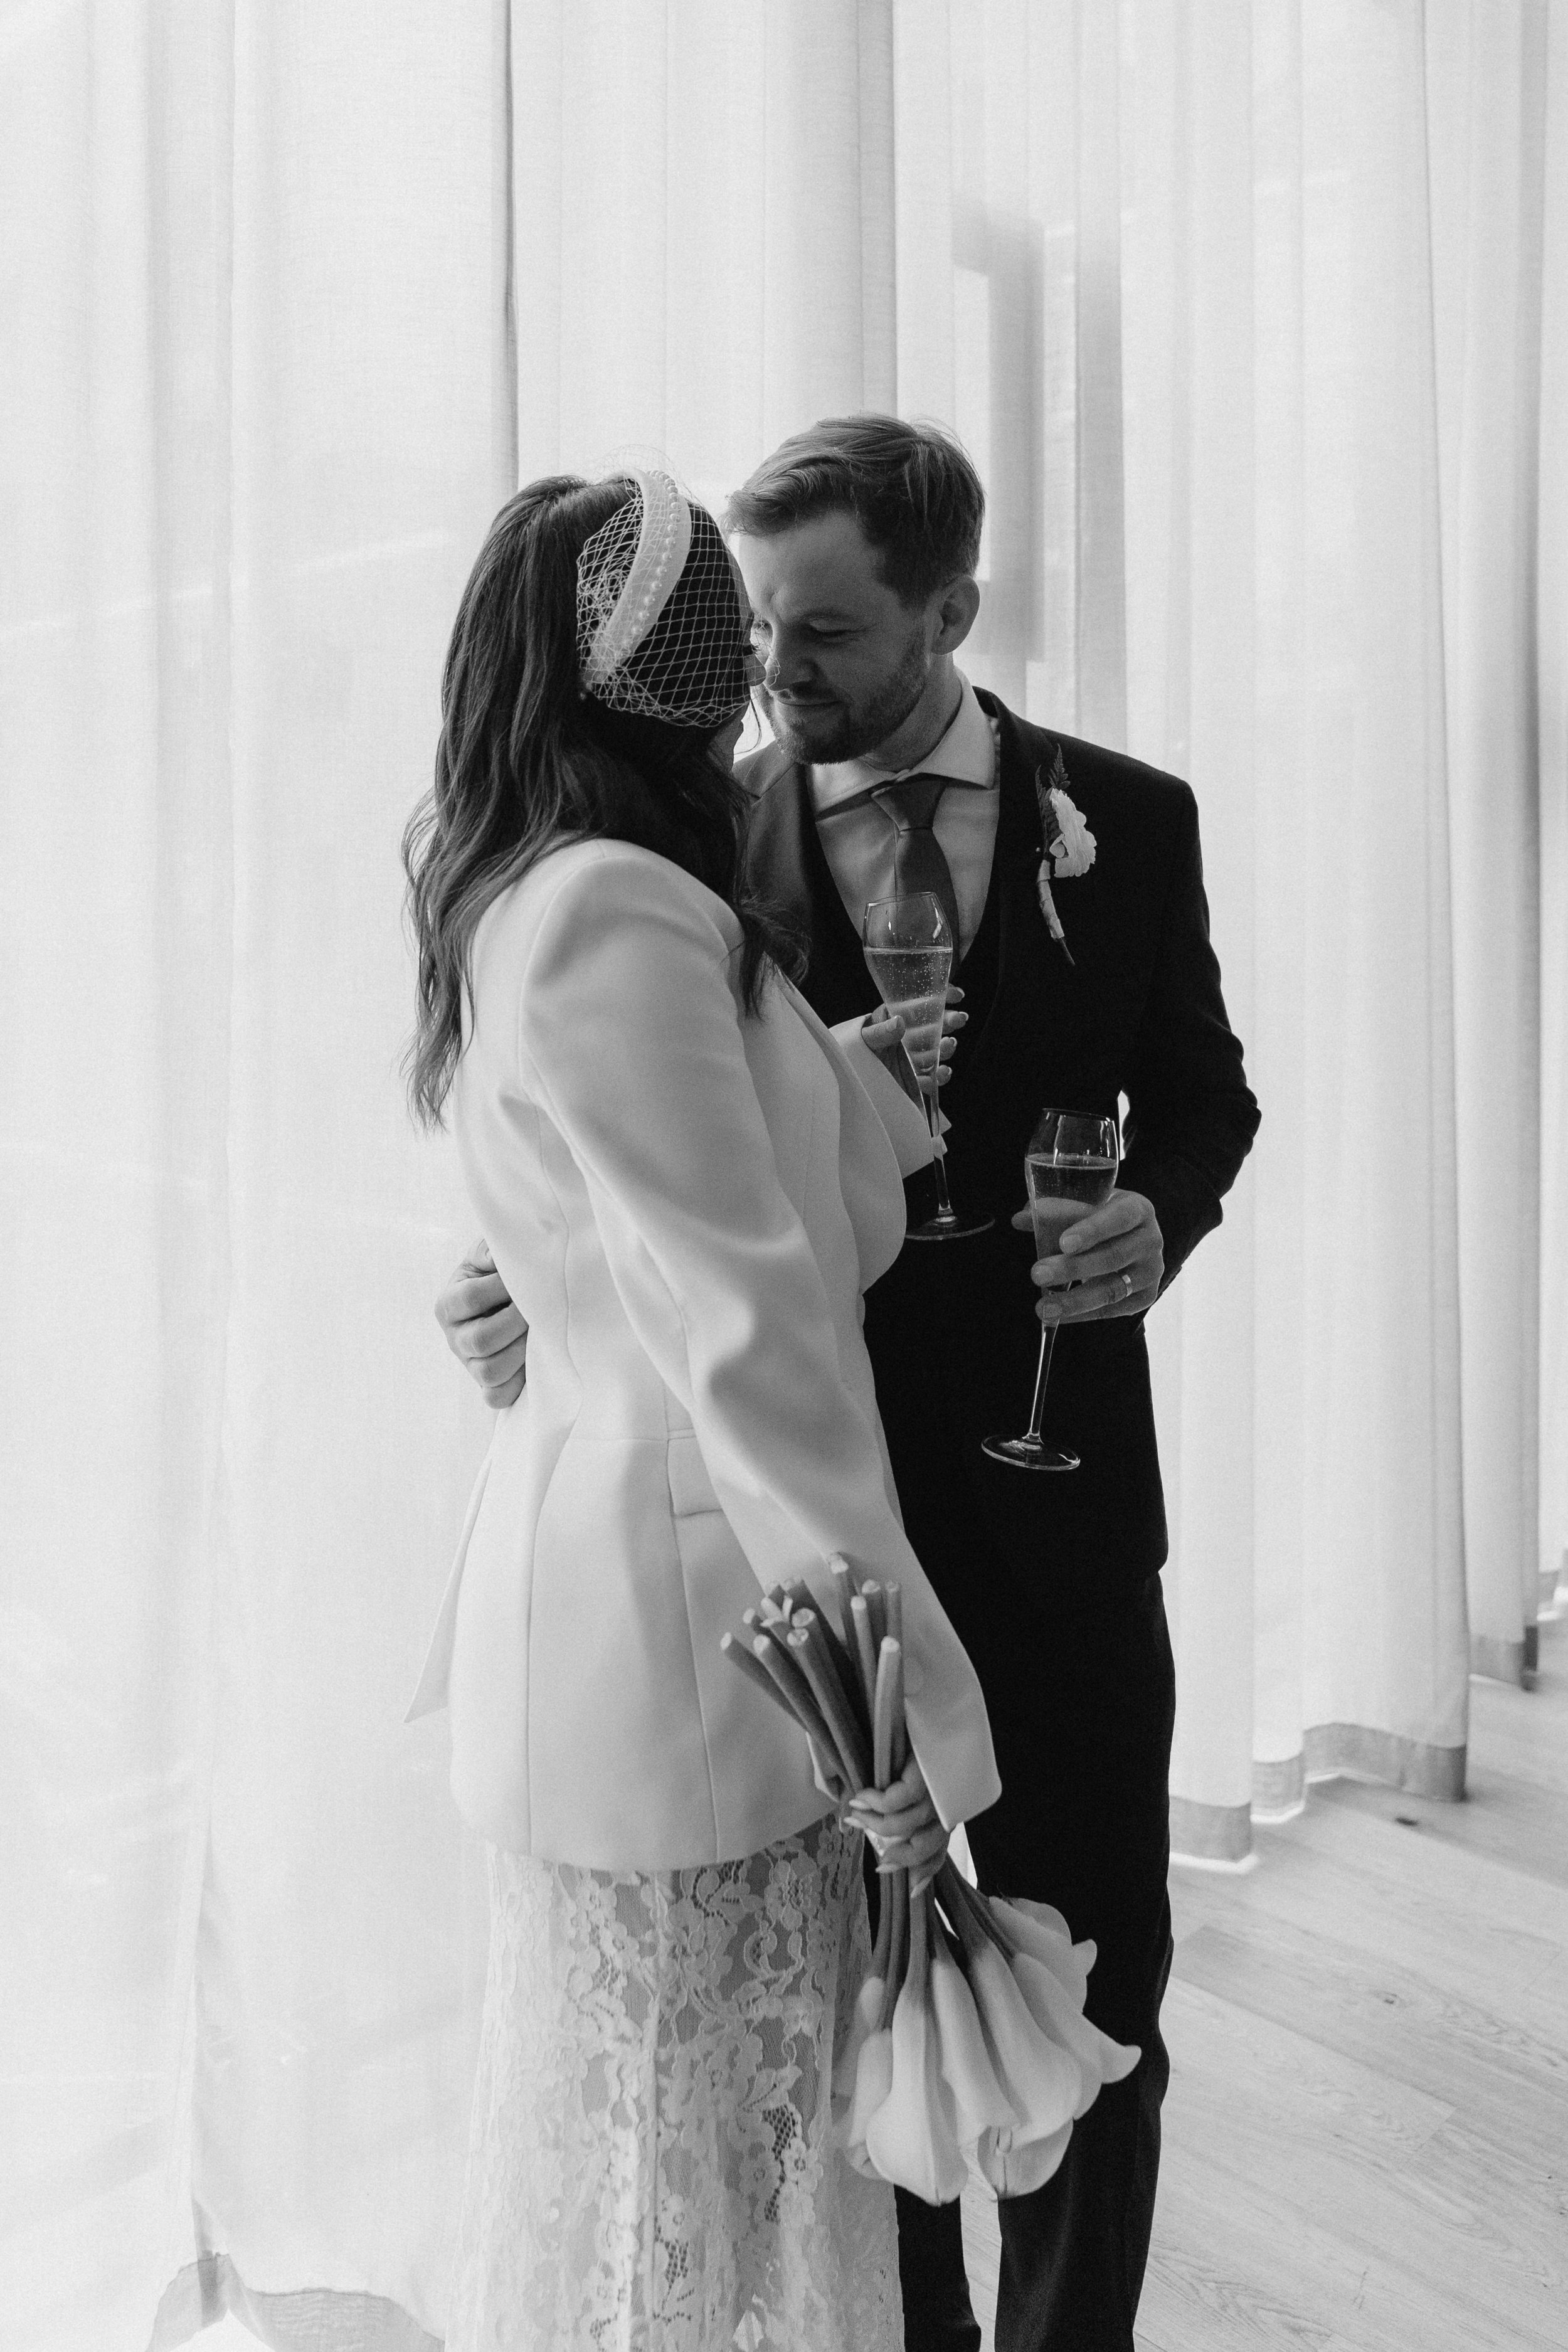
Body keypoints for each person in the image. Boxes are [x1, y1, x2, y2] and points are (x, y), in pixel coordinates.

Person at [438, 418, 1261, 2352]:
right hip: (793, 1566)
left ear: (949, 610)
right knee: (840, 2032)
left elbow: (1206, 1094)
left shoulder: (1125, 819)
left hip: (1048, 1488)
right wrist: (517, 1283)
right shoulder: (675, 847)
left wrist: (1158, 1208)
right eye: (760, 625)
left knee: (1087, 1988)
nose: (779, 679)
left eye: (825, 631)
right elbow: (630, 1177)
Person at [401, 467, 1001, 2351]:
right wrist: (893, 1708)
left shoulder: (529, 887)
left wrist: (818, 1066)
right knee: (683, 2201)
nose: (753, 685)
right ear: (662, 691)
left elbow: (609, 1227)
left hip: (617, 1628)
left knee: (660, 2182)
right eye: (720, 655)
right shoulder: (618, 912)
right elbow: (748, 1332)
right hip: (687, 1656)